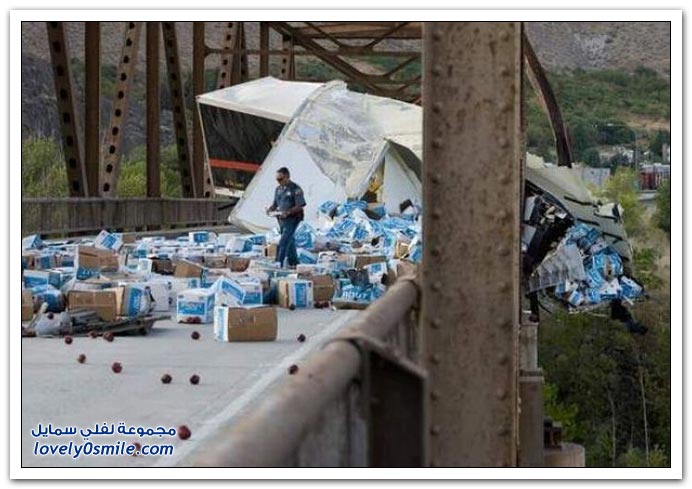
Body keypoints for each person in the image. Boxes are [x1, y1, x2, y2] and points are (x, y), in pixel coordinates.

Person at [266, 167, 306, 268]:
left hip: (293, 218)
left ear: (287, 177)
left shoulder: (295, 189)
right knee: (290, 241)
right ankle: (294, 262)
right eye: (277, 179)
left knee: (283, 241)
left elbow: (300, 205)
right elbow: (275, 204)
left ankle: (278, 263)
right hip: (281, 219)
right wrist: (270, 209)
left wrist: (288, 212)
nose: (278, 182)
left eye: (280, 179)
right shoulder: (278, 189)